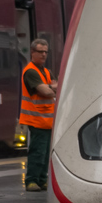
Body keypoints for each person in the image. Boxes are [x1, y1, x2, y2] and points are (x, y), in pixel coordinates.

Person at [20, 39, 57, 192]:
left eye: (45, 52)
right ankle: (31, 181)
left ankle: (41, 180)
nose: (43, 55)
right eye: (40, 52)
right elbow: (48, 91)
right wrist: (50, 87)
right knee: (38, 152)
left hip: (47, 121)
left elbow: (57, 84)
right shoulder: (30, 71)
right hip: (36, 119)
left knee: (45, 152)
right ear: (32, 52)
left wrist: (49, 87)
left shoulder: (46, 72)